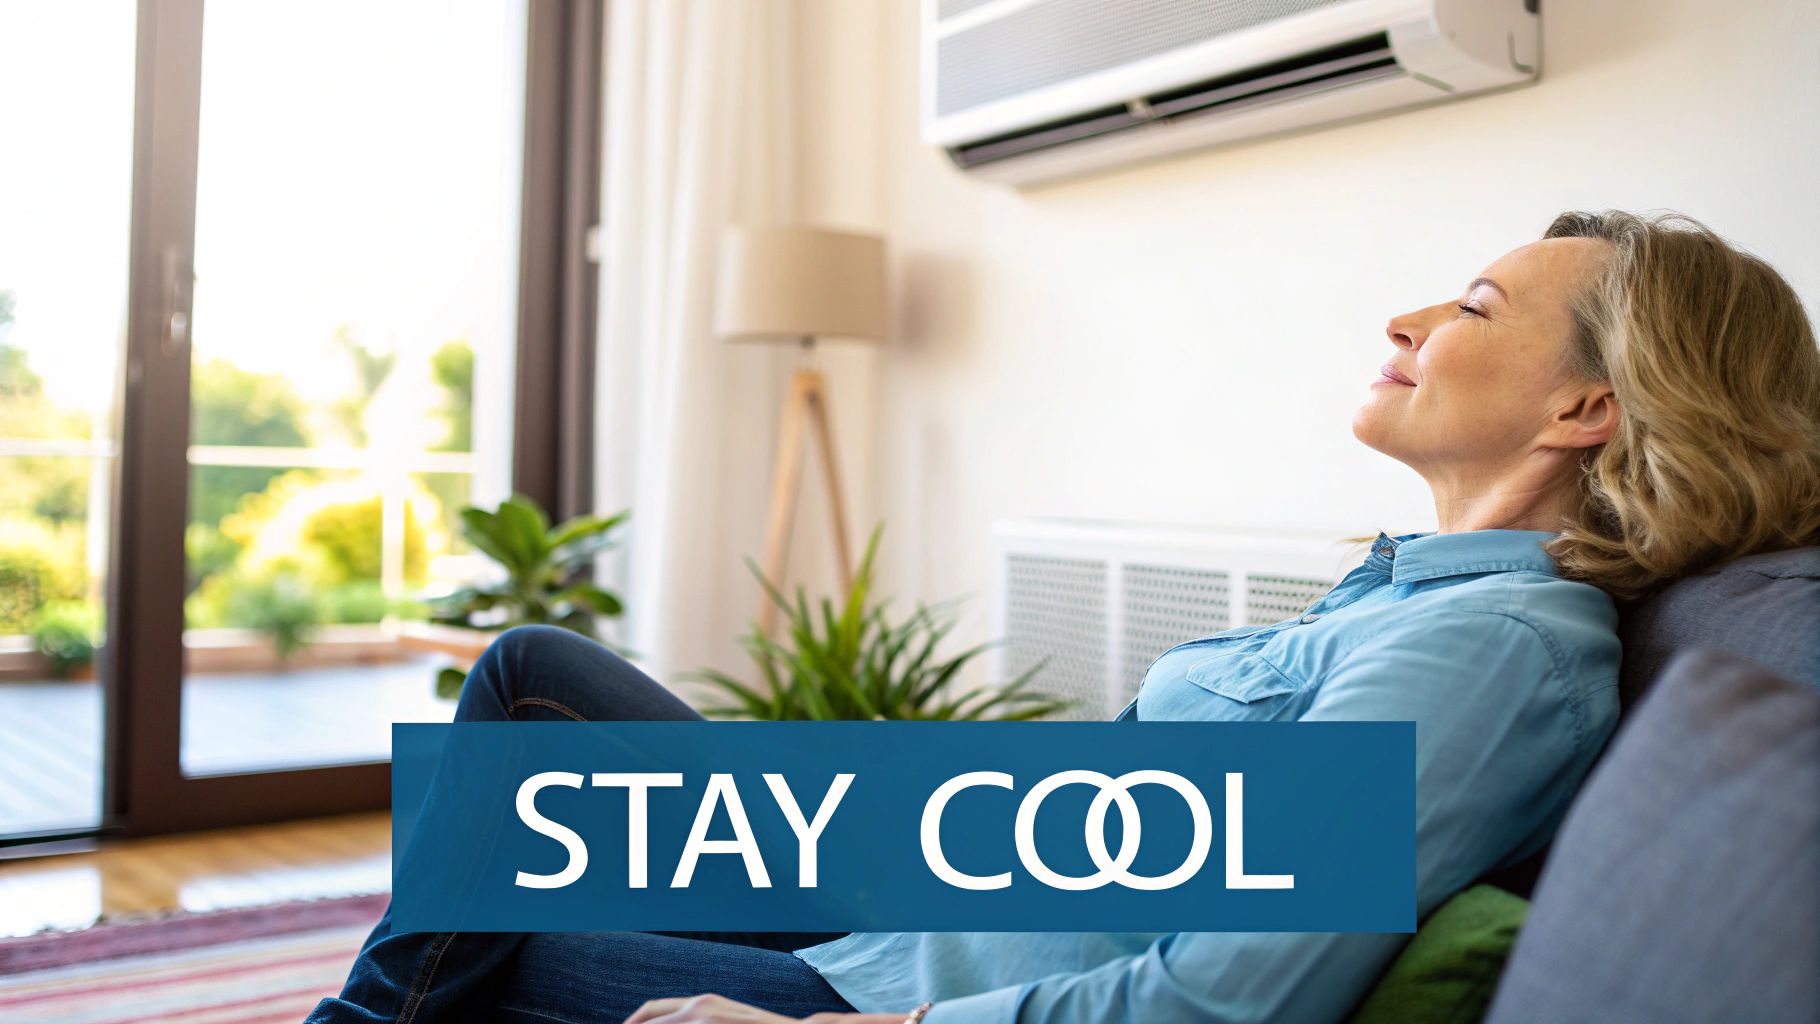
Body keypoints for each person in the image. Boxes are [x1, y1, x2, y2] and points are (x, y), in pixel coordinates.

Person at [309, 210, 1820, 1024]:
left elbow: (1231, 993)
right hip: (928, 884)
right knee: (533, 685)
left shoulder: (1486, 649)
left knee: (493, 938)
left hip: (904, 983)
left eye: (1475, 307)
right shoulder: (1406, 594)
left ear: (1586, 407)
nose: (1410, 320)